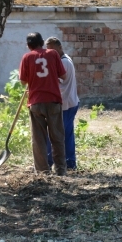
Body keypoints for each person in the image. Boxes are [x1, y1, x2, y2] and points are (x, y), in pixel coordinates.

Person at [19, 32, 67, 176]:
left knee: (38, 139)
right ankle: (60, 170)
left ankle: (42, 171)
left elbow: (23, 81)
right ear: (42, 42)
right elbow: (63, 76)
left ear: (28, 46)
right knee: (57, 137)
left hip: (36, 102)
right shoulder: (52, 54)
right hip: (53, 101)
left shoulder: (27, 57)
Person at [45, 36, 79, 169]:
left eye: (52, 50)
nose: (50, 53)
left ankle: (51, 161)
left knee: (56, 135)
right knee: (67, 134)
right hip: (70, 102)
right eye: (48, 50)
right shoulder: (65, 59)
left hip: (65, 104)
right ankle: (70, 163)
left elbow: (55, 82)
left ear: (60, 48)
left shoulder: (63, 63)